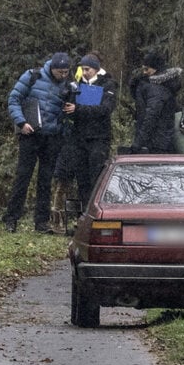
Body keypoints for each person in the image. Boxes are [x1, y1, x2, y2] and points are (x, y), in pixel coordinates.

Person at [4, 52, 74, 233]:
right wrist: (21, 122)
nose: (63, 75)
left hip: (52, 136)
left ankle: (41, 222)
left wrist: (69, 112)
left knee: (45, 180)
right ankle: (11, 219)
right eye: (60, 72)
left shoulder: (68, 84)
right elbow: (14, 99)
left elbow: (69, 113)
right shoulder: (32, 76)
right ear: (52, 68)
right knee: (23, 177)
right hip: (30, 133)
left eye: (66, 72)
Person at [50, 52, 117, 234]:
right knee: (82, 180)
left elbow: (105, 109)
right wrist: (69, 97)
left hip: (98, 138)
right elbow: (68, 109)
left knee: (96, 178)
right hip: (79, 139)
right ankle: (82, 219)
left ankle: (95, 217)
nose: (84, 72)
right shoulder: (78, 84)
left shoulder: (108, 84)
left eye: (87, 69)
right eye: (83, 69)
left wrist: (78, 109)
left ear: (95, 69)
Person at [130, 51, 183, 154]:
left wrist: (138, 143)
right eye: (143, 69)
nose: (144, 72)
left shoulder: (156, 89)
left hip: (155, 143)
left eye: (147, 69)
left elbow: (151, 117)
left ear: (156, 68)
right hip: (161, 140)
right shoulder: (164, 86)